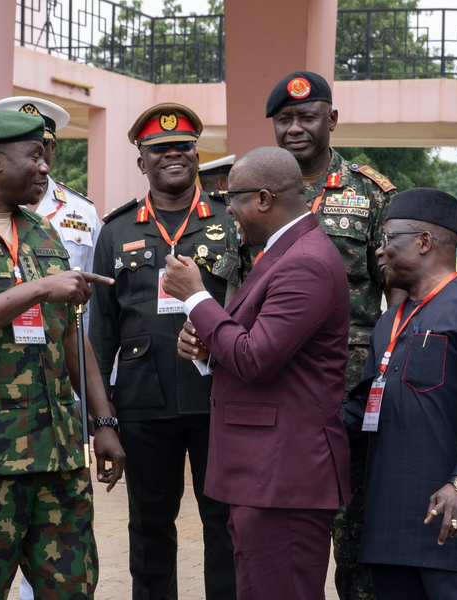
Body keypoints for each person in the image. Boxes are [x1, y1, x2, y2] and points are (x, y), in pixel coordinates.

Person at [164, 146, 351, 600]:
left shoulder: (305, 260)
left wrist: (195, 299)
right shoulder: (281, 251)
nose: (229, 211)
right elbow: (258, 348)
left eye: (234, 199)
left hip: (283, 475)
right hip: (264, 471)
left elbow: (256, 357)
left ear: (264, 199)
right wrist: (208, 350)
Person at [88, 102, 238, 599]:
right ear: (142, 162)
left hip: (219, 395)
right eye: (159, 149)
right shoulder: (117, 230)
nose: (173, 155)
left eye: (184, 148)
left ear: (197, 155)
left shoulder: (230, 221)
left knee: (225, 520)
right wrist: (102, 415)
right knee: (150, 525)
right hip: (142, 400)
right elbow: (102, 330)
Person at [0, 109, 124, 599]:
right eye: (34, 156)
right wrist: (37, 289)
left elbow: (70, 338)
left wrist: (102, 422)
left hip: (58, 455)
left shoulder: (42, 232)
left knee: (73, 588)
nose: (45, 167)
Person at [266, 70, 400, 600]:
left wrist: (390, 371)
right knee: (282, 523)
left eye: (306, 117)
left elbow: (397, 290)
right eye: (284, 120)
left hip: (350, 384)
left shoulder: (370, 194)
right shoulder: (257, 186)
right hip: (272, 381)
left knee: (355, 523)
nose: (294, 128)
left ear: (332, 120)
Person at [341, 188, 457, 599]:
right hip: (386, 516)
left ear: (423, 242)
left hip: (445, 512)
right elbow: (361, 406)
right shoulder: (388, 322)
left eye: (387, 240)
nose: (378, 253)